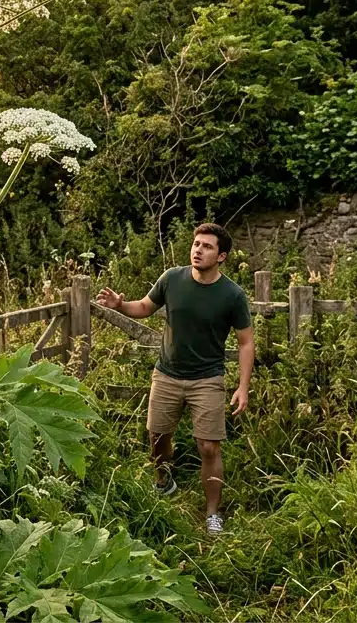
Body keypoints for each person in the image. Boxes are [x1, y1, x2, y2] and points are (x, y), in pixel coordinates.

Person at [96, 223, 254, 536]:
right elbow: (143, 307)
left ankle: (212, 514)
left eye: (207, 246)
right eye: (196, 244)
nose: (198, 250)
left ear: (221, 256)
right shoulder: (172, 278)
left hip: (208, 379)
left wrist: (243, 387)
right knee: (157, 438)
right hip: (167, 374)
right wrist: (119, 305)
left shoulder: (233, 295)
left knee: (209, 447)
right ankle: (164, 479)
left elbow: (246, 342)